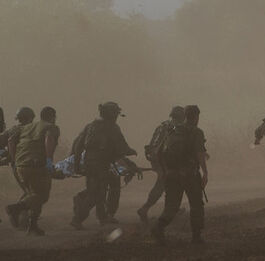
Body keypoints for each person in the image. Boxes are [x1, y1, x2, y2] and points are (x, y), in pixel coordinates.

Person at [70, 102, 138, 229]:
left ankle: (102, 218)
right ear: (112, 114)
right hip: (101, 165)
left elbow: (77, 146)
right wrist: (132, 152)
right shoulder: (112, 127)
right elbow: (121, 148)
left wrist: (77, 166)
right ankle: (77, 219)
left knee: (98, 191)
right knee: (96, 194)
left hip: (89, 163)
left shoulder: (90, 126)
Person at [151, 105, 208, 244]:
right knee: (196, 205)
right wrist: (205, 173)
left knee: (172, 205)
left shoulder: (172, 131)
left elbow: (158, 152)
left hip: (171, 174)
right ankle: (196, 237)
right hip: (189, 175)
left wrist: (164, 170)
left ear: (184, 116)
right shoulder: (197, 132)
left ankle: (159, 228)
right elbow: (200, 154)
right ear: (196, 117)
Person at [7, 106, 59, 235]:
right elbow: (49, 139)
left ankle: (32, 227)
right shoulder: (50, 127)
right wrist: (48, 160)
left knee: (34, 195)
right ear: (52, 117)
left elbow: (10, 140)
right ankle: (16, 208)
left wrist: (14, 160)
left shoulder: (27, 127)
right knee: (42, 196)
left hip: (20, 166)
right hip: (36, 166)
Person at [136, 106, 185, 224]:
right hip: (165, 159)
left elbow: (153, 143)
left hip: (155, 157)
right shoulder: (178, 127)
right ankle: (145, 208)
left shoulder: (162, 125)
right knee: (165, 183)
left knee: (168, 182)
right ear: (181, 116)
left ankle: (172, 210)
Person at [0, 107, 35, 228]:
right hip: (28, 165)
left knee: (29, 191)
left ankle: (21, 217)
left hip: (16, 166)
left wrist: (7, 157)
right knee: (33, 192)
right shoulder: (31, 130)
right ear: (29, 118)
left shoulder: (11, 130)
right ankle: (18, 214)